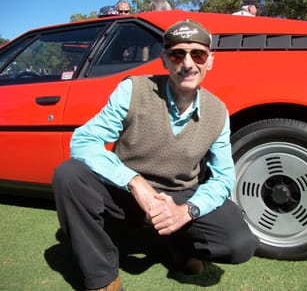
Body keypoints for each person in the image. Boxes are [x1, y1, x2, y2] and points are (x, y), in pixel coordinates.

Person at [52, 19, 259, 291]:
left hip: (181, 194)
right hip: (125, 192)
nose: (188, 64)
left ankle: (176, 246)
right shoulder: (133, 90)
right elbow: (83, 140)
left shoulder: (218, 112)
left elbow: (223, 178)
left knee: (239, 244)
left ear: (210, 61)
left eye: (197, 54)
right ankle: (103, 278)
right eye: (177, 54)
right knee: (68, 174)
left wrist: (187, 211)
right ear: (164, 60)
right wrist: (136, 183)